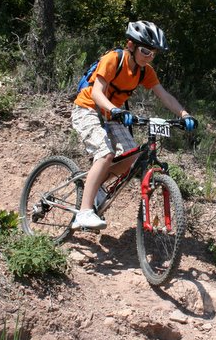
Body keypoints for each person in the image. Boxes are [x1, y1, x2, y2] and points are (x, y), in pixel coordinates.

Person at [70, 20, 197, 230]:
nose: (149, 57)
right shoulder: (113, 59)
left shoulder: (145, 71)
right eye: (145, 51)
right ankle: (83, 212)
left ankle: (97, 187)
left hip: (113, 114)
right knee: (105, 154)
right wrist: (115, 110)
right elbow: (96, 92)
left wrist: (184, 114)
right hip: (88, 108)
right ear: (131, 45)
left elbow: (164, 95)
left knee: (132, 157)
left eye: (153, 53)